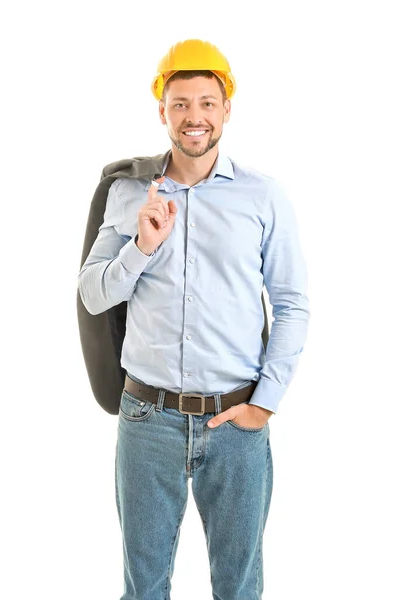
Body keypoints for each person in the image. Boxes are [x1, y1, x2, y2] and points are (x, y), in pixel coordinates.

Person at [78, 38, 310, 600]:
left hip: (235, 422)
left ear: (226, 108)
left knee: (238, 586)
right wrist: (141, 246)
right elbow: (91, 293)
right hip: (145, 419)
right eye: (181, 104)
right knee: (144, 586)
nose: (194, 117)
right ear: (163, 111)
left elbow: (292, 303)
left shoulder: (264, 196)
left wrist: (266, 402)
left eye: (207, 102)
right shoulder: (131, 191)